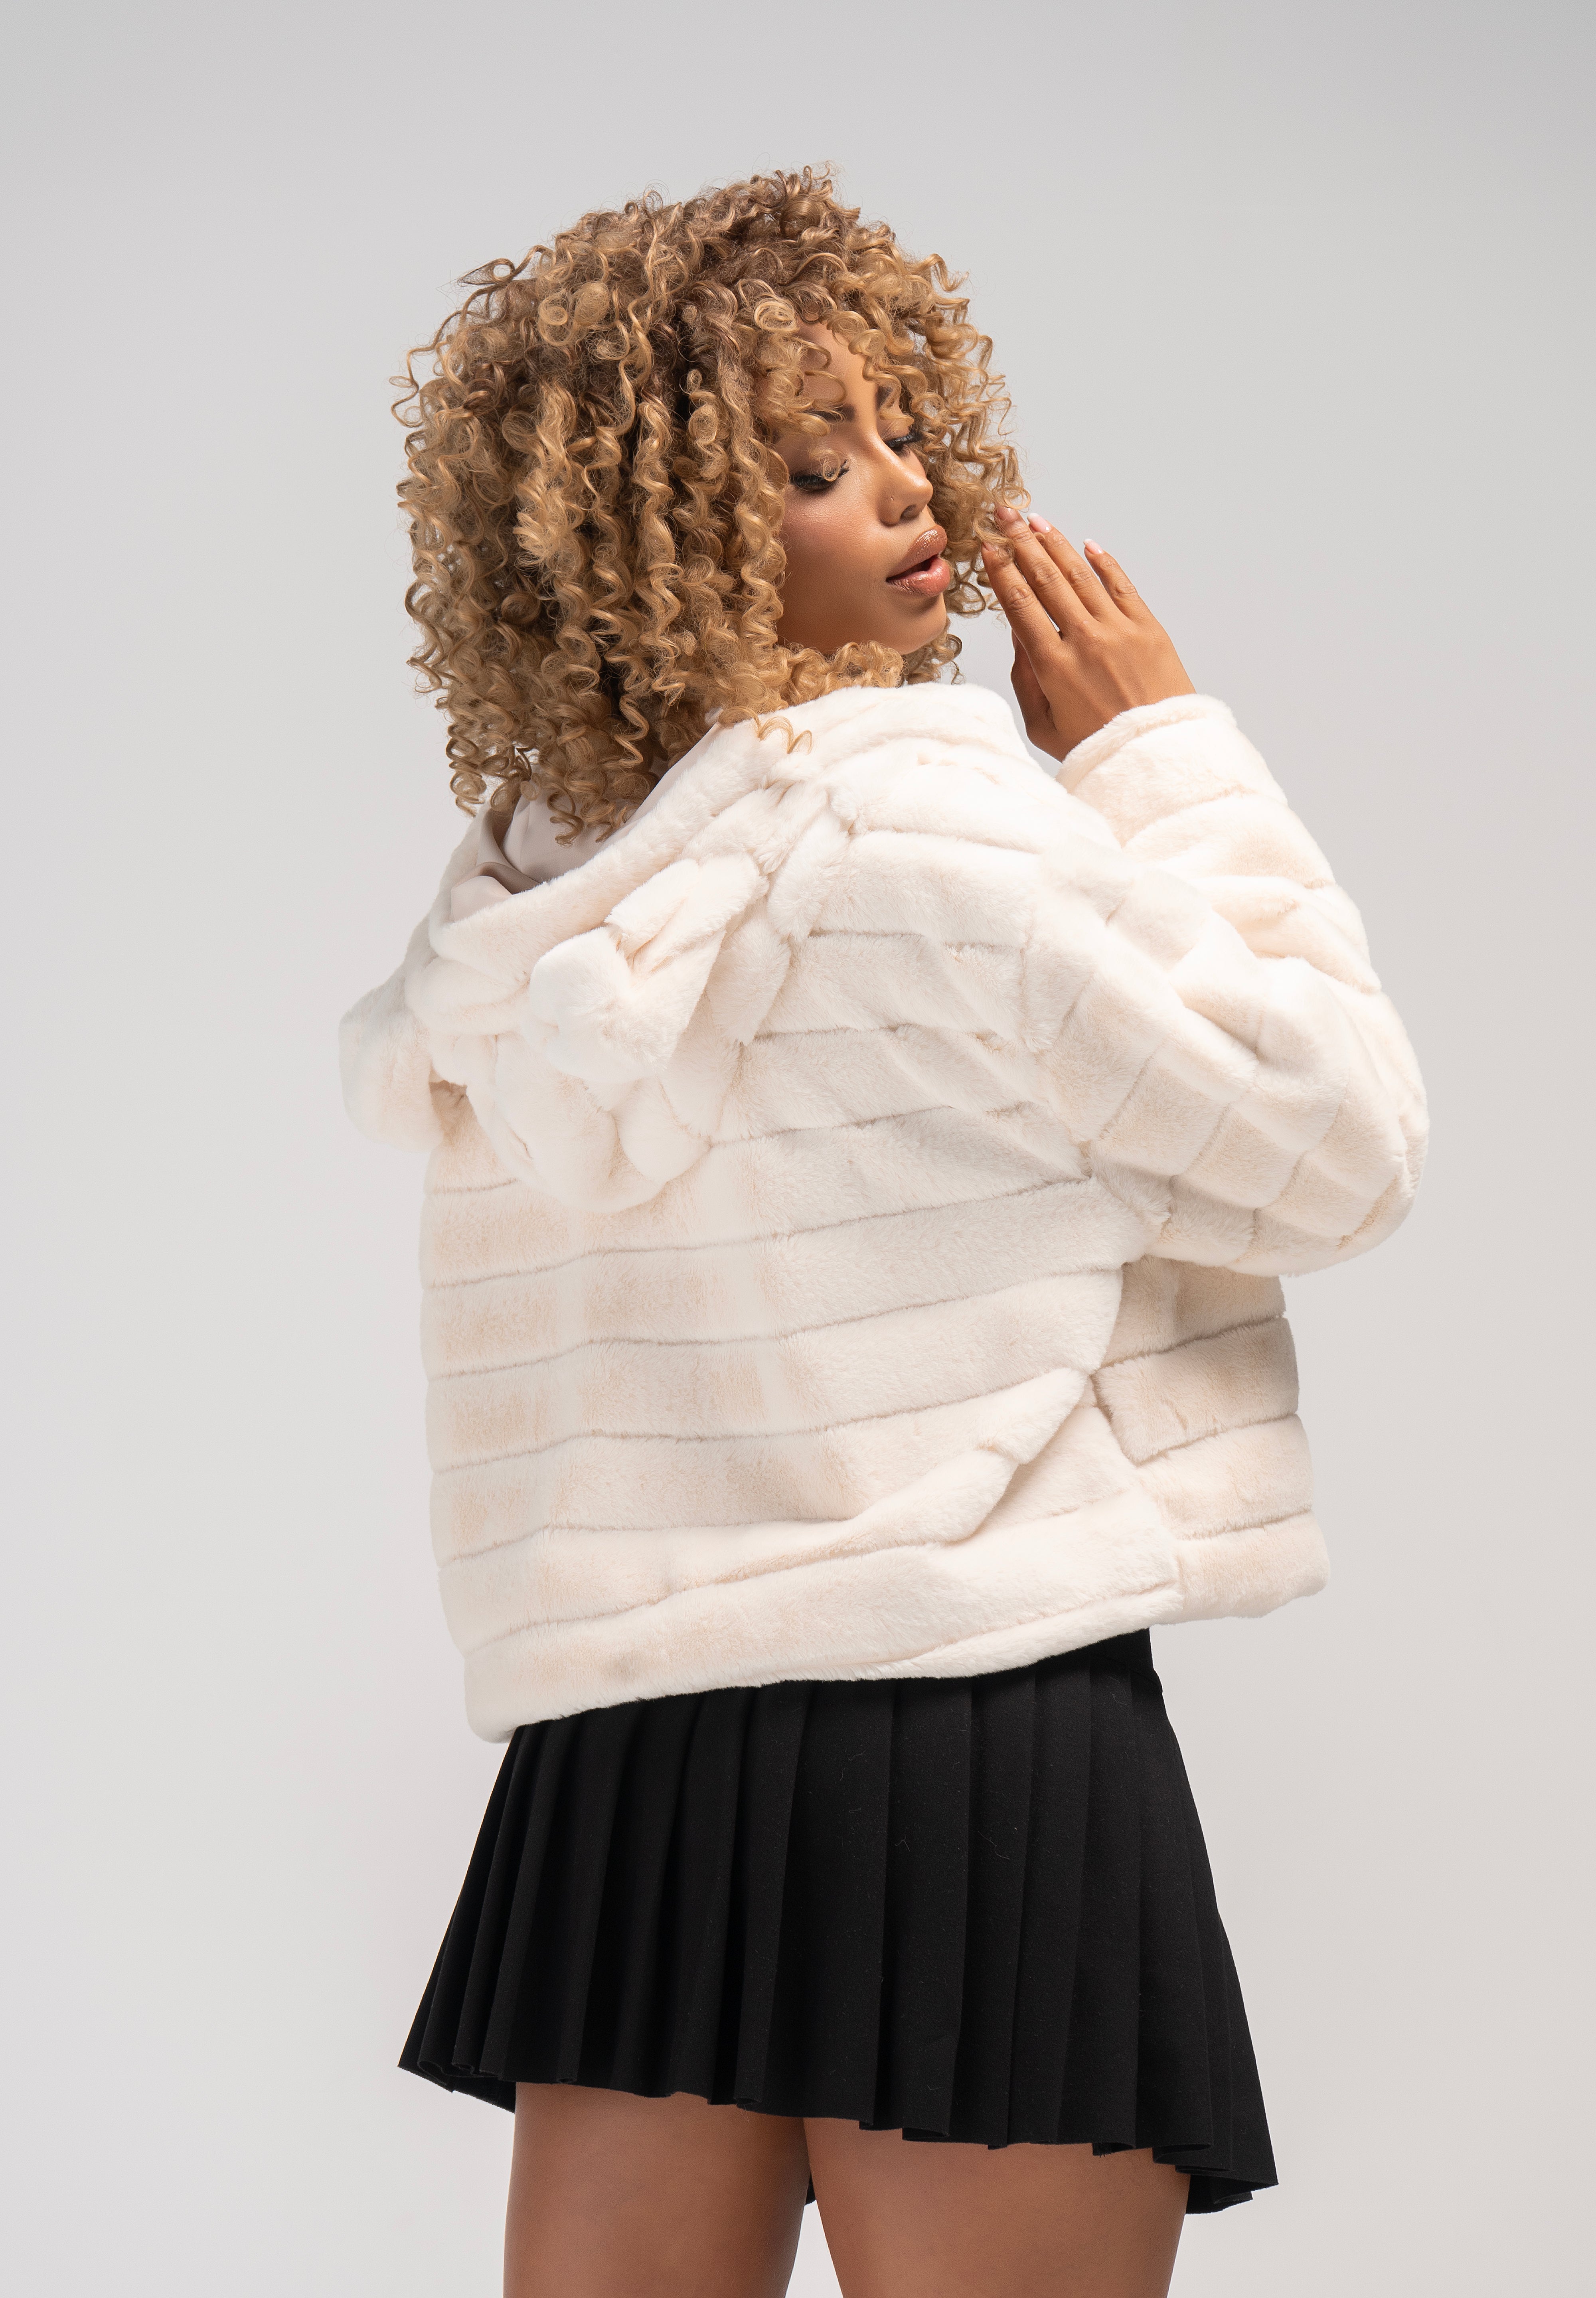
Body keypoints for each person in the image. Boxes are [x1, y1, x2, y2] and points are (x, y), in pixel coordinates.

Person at [341, 168, 1426, 2298]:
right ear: (656, 542)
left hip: (633, 1756)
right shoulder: (936, 825)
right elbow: (1341, 1139)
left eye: (900, 430)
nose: (912, 489)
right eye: (815, 464)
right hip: (972, 1738)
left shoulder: (528, 931)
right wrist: (1160, 759)